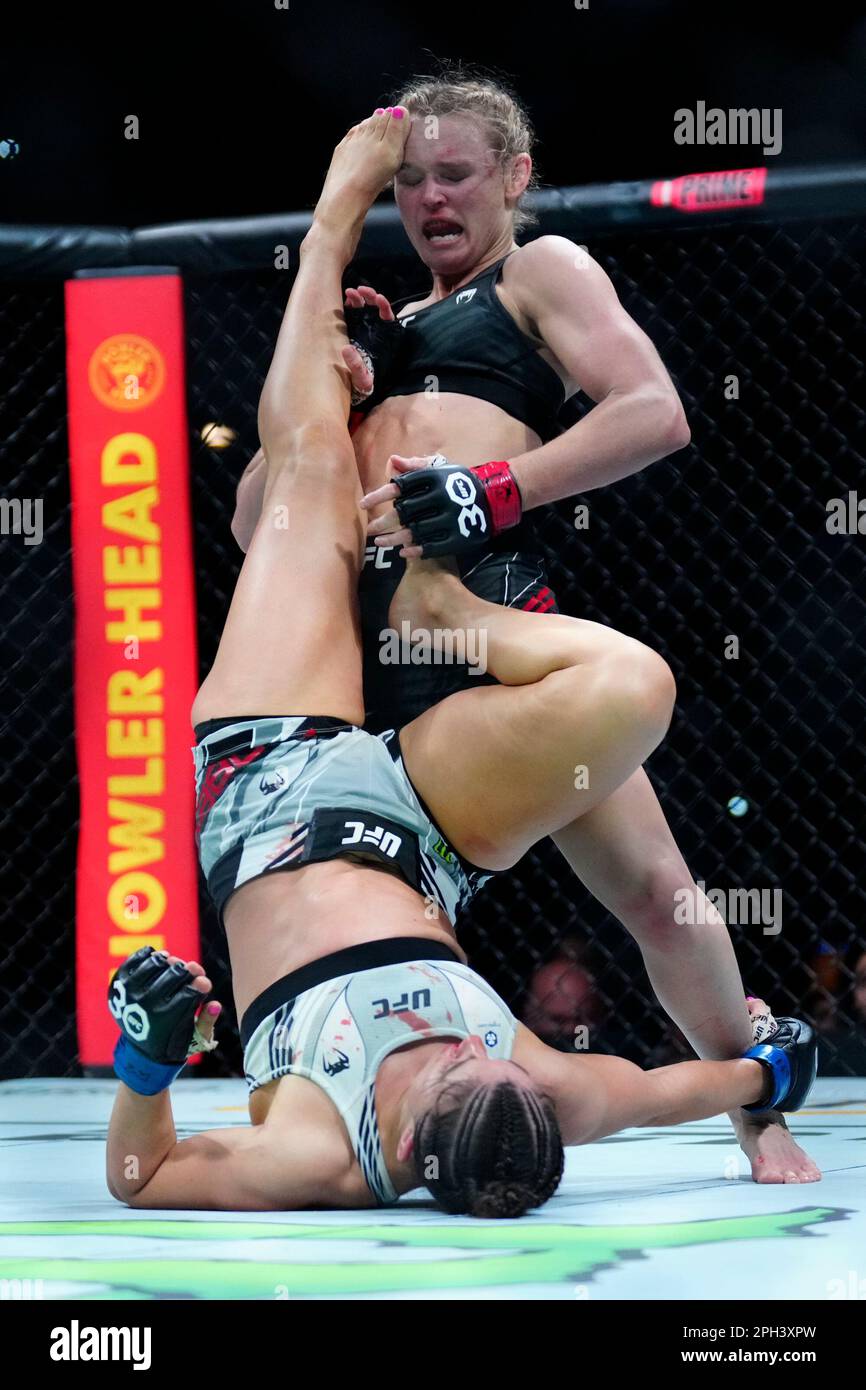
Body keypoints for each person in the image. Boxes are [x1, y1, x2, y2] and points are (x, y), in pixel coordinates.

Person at [106, 110, 818, 1218]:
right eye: (413, 184)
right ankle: (750, 1083)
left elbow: (654, 412)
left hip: (479, 631)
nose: (432, 201)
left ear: (516, 174)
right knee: (298, 472)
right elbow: (260, 518)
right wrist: (348, 390)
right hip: (353, 659)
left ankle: (757, 1115)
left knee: (654, 888)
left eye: (455, 176)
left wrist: (498, 490)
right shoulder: (379, 330)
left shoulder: (539, 270)